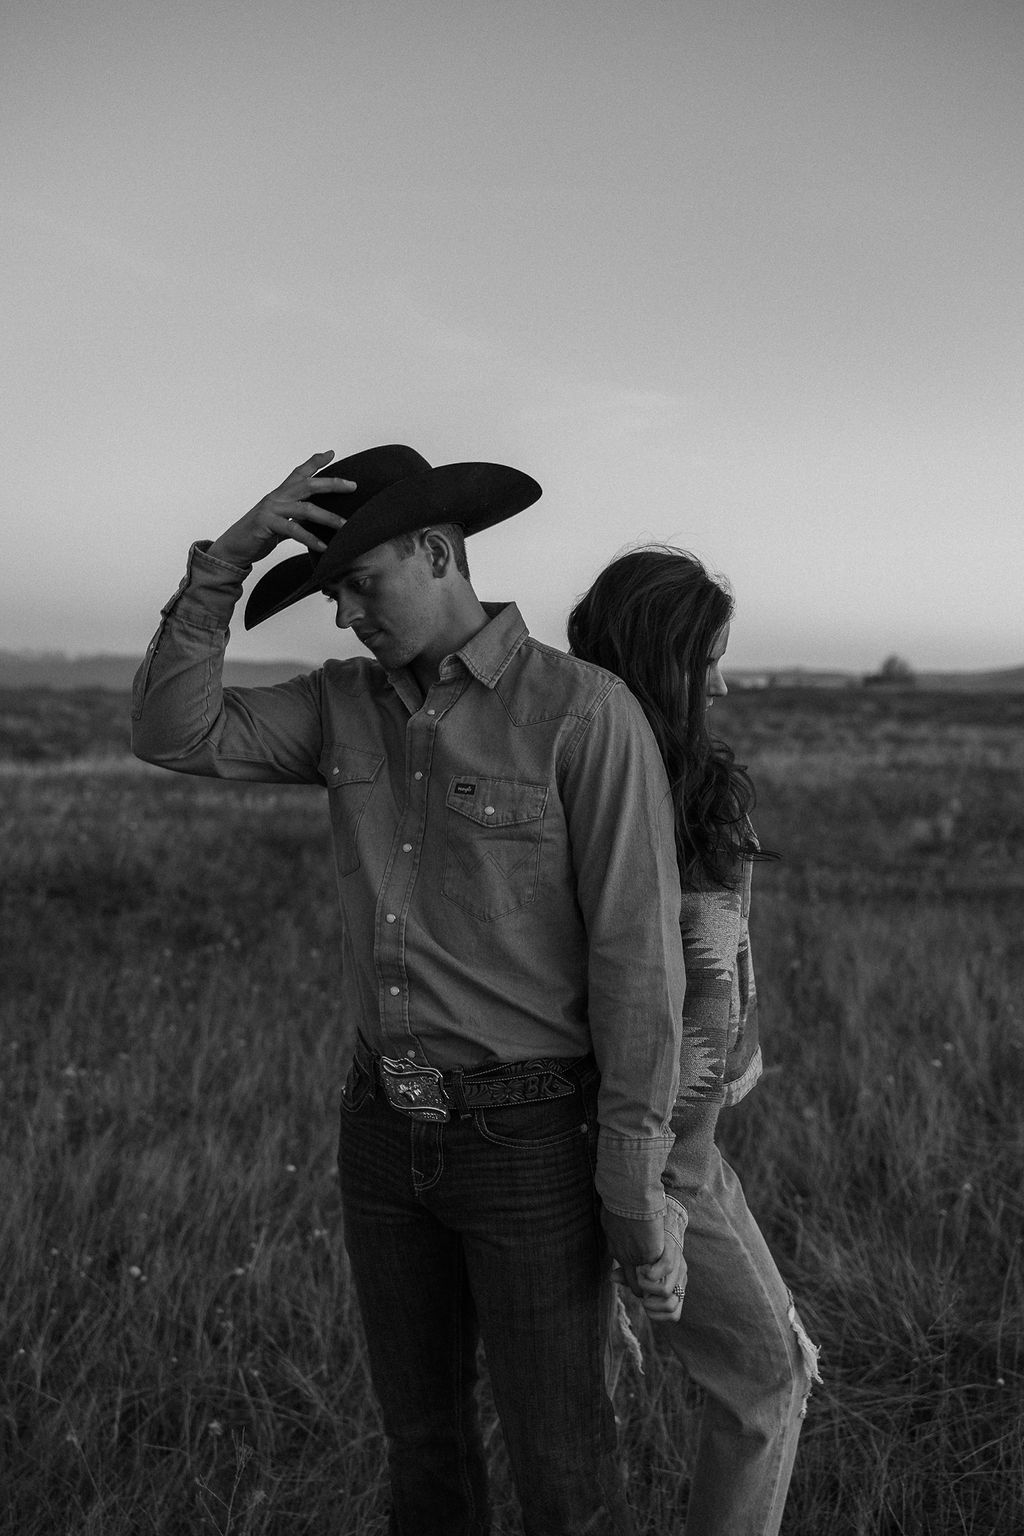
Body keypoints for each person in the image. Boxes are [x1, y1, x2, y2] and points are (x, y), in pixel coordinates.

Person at [131, 445, 696, 1536]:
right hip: (380, 1130)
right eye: (330, 591)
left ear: (438, 551)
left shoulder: (582, 713)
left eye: (358, 582)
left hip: (530, 1141)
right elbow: (171, 731)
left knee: (565, 1471)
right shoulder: (339, 708)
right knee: (423, 1451)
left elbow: (639, 964)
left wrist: (634, 1183)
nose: (344, 617)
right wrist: (231, 558)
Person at [568, 547, 822, 1536]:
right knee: (771, 1379)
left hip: (564, 1130)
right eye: (705, 658)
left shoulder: (567, 760)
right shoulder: (690, 787)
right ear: (662, 657)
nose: (719, 681)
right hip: (663, 1147)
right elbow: (699, 1001)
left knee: (586, 1412)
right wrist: (663, 1181)